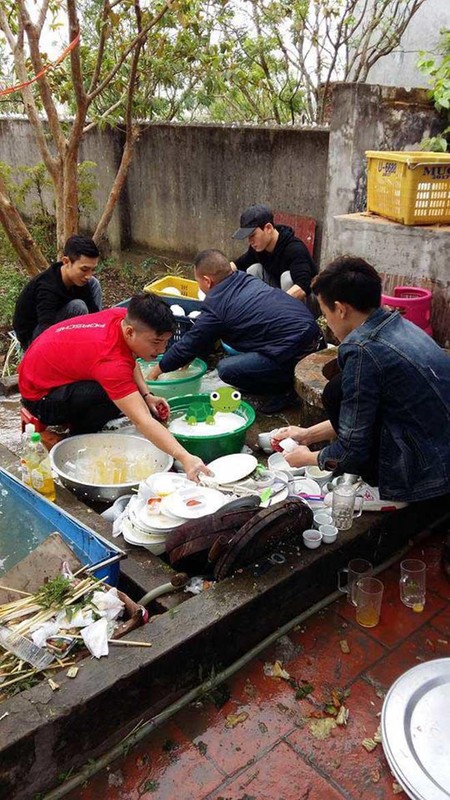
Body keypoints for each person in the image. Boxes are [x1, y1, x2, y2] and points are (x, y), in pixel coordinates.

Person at [271, 256, 450, 503]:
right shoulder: (396, 322)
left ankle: (384, 490)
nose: (327, 322)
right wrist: (307, 434)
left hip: (423, 471)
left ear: (341, 309)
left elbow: (351, 451)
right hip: (438, 452)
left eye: (324, 312)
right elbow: (361, 419)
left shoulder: (363, 350)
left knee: (334, 392)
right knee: (338, 388)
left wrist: (309, 457)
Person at [18, 293, 210, 482]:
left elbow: (129, 358)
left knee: (123, 392)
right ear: (129, 332)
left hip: (45, 375)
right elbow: (142, 420)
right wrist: (186, 457)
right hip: (40, 398)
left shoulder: (121, 317)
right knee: (112, 397)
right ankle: (76, 438)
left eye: (165, 342)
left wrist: (147, 394)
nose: (162, 350)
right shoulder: (111, 361)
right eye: (156, 342)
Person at [147, 249, 325, 414]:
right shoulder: (244, 279)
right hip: (315, 337)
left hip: (297, 353)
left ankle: (285, 389)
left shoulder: (217, 304)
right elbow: (201, 337)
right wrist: (190, 355)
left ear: (208, 281)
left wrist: (155, 372)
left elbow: (190, 343)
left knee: (226, 369)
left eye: (198, 281)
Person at [13, 235, 102, 350]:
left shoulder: (78, 279)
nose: (88, 275)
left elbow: (92, 310)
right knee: (78, 307)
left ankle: (95, 338)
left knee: (93, 283)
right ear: (66, 261)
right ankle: (81, 346)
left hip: (56, 322)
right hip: (35, 339)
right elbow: (46, 330)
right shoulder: (47, 287)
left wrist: (98, 325)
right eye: (84, 269)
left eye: (93, 269)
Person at [230, 203, 318, 305]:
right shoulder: (259, 248)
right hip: (280, 299)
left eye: (253, 235)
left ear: (268, 228)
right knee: (254, 269)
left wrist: (274, 306)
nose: (250, 241)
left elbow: (302, 287)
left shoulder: (294, 249)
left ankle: (284, 319)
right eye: (248, 237)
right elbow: (237, 265)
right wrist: (213, 276)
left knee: (287, 278)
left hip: (309, 302)